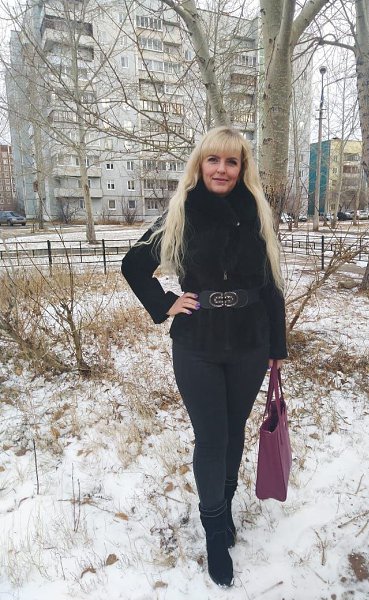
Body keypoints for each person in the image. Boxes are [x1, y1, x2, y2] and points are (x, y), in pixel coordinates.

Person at [121, 126, 287, 587]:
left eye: (232, 161)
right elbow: (134, 265)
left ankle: (225, 506)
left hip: (250, 342)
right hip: (198, 344)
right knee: (212, 438)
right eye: (213, 159)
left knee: (233, 435)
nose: (222, 169)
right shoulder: (182, 210)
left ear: (242, 168)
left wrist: (276, 347)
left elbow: (272, 285)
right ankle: (214, 528)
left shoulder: (257, 213)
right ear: (200, 164)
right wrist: (165, 303)